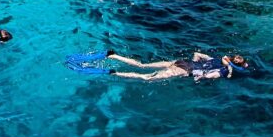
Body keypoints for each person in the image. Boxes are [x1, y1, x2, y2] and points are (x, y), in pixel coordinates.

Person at [102, 51, 248, 81]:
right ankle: (114, 73)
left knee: (142, 65)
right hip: (184, 69)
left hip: (180, 62)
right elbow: (209, 75)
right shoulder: (222, 70)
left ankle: (113, 55)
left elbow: (197, 54)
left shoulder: (214, 58)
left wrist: (195, 64)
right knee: (146, 78)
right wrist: (198, 77)